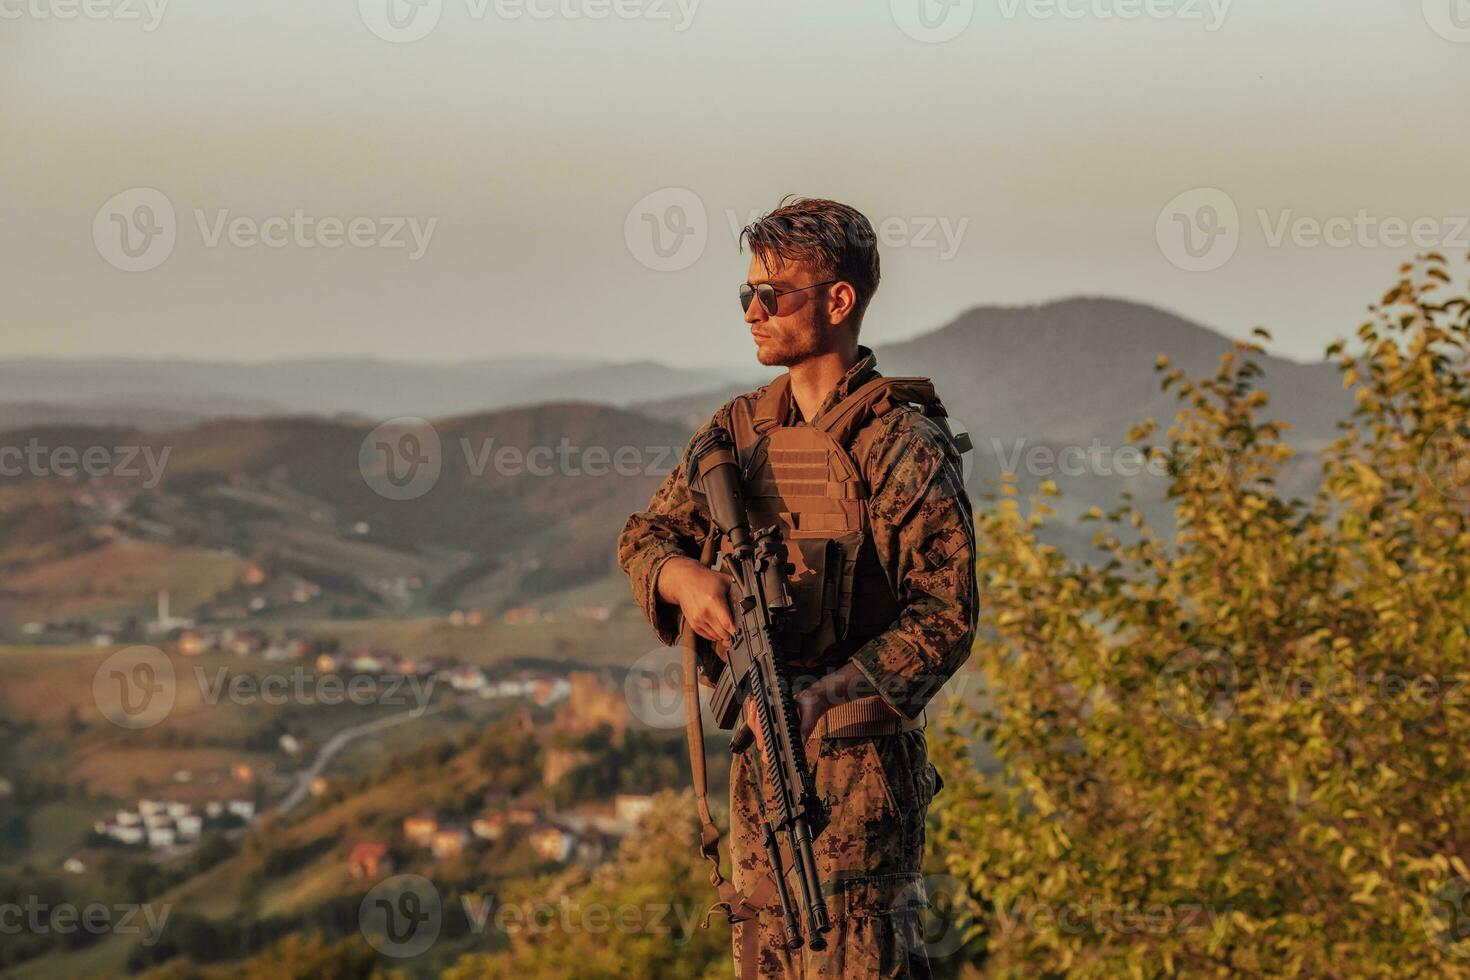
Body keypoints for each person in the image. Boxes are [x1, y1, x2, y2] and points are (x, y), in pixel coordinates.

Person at [617, 196, 977, 978]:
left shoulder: (901, 446)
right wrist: (687, 581)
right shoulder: (738, 435)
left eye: (770, 294)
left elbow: (946, 617)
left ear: (838, 300)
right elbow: (645, 538)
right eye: (745, 294)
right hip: (760, 777)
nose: (752, 311)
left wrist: (821, 698)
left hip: (859, 787)